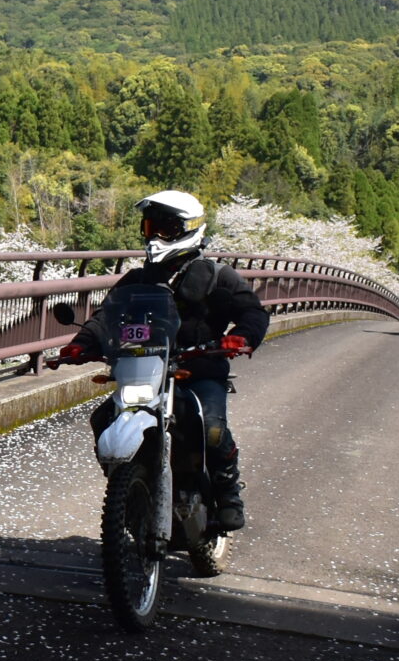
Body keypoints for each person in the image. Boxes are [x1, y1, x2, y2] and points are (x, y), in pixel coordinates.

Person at [58, 189, 270, 530]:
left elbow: (253, 312)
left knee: (211, 428)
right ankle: (130, 486)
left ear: (190, 228)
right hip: (145, 369)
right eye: (150, 227)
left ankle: (228, 493)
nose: (155, 236)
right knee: (103, 418)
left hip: (199, 369)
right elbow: (107, 316)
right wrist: (81, 343)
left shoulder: (217, 276)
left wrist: (242, 336)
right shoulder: (138, 279)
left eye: (166, 228)